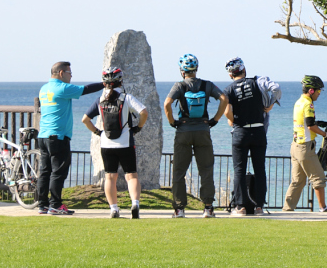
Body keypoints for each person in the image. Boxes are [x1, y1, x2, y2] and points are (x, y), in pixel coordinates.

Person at [163, 54, 228, 218]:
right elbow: (224, 99)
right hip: (203, 131)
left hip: (183, 131)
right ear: (196, 69)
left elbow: (167, 104)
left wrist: (172, 122)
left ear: (182, 71)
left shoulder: (179, 86)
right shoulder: (207, 85)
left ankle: (179, 209)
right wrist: (215, 119)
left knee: (179, 171)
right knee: (206, 170)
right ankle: (208, 208)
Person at [37, 61, 103, 215]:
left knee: (45, 171)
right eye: (70, 73)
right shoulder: (62, 88)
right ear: (61, 73)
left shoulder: (44, 88)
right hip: (58, 136)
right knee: (58, 172)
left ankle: (42, 205)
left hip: (43, 136)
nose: (71, 76)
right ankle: (56, 205)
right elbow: (85, 89)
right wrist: (105, 84)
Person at [81, 67, 148, 219]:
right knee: (131, 176)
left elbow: (85, 119)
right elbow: (144, 112)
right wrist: (138, 127)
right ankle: (135, 204)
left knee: (110, 177)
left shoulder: (100, 101)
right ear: (120, 81)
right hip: (125, 143)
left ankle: (113, 209)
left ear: (104, 83)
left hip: (106, 144)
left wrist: (98, 132)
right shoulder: (126, 98)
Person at [222, 57, 272, 216]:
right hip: (258, 131)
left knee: (239, 170)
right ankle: (259, 207)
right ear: (244, 70)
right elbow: (268, 99)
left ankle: (240, 207)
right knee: (260, 169)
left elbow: (226, 111)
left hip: (240, 132)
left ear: (230, 75)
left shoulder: (228, 89)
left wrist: (233, 120)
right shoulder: (256, 83)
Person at [283, 75, 327, 213]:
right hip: (305, 148)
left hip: (295, 146)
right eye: (318, 91)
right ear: (311, 91)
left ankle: (287, 210)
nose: (319, 94)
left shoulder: (299, 102)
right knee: (318, 178)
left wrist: (317, 123)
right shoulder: (308, 104)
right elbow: (310, 126)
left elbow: (304, 123)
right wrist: (325, 135)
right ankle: (323, 208)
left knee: (298, 181)